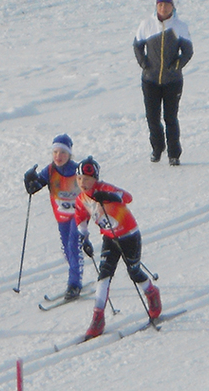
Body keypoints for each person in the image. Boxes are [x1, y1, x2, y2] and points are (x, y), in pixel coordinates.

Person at [73, 156, 160, 339]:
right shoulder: (81, 199)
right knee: (104, 275)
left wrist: (109, 196)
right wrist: (84, 238)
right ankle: (98, 318)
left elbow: (127, 197)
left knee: (134, 272)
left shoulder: (104, 188)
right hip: (109, 238)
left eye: (87, 179)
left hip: (129, 235)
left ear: (95, 179)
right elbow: (80, 217)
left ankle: (151, 293)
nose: (82, 183)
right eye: (79, 179)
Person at [133, 0, 194, 166]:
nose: (163, 8)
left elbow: (188, 51)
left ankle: (174, 154)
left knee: (170, 118)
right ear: (156, 6)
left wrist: (177, 65)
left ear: (172, 7)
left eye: (167, 5)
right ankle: (157, 148)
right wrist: (143, 63)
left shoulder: (179, 26)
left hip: (172, 81)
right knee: (152, 118)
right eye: (160, 4)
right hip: (150, 80)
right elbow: (137, 45)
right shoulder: (146, 24)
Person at [23, 134, 83, 299]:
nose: (58, 156)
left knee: (73, 245)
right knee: (67, 247)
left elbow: (90, 186)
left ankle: (74, 283)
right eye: (55, 152)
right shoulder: (50, 170)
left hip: (78, 214)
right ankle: (75, 273)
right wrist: (29, 181)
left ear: (69, 154)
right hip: (61, 215)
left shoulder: (77, 170)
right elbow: (36, 186)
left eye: (63, 153)